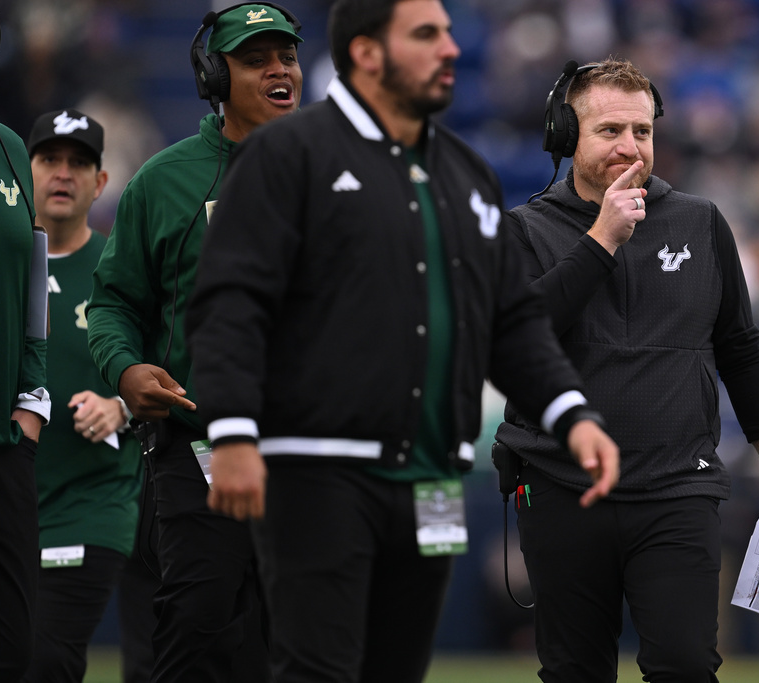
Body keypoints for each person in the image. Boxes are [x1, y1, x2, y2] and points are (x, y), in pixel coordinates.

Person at [185, 1, 621, 681]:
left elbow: (510, 320)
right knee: (318, 670)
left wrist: (572, 413)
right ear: (366, 52)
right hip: (316, 468)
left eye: (448, 32)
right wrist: (235, 430)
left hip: (433, 476)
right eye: (426, 34)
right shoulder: (286, 154)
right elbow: (230, 303)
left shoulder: (467, 174)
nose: (451, 48)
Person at [494, 58, 759, 683]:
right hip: (561, 485)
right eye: (610, 130)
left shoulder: (701, 221)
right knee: (574, 671)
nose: (630, 146)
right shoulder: (524, 230)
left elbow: (742, 354)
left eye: (642, 131)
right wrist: (602, 240)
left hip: (677, 488)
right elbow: (516, 338)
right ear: (568, 135)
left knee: (687, 666)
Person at [86, 4, 304, 681]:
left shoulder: (337, 175)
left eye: (287, 56)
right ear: (216, 74)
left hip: (309, 449)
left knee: (303, 641)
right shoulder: (165, 180)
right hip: (198, 443)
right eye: (255, 59)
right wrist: (124, 370)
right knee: (195, 628)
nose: (279, 71)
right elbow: (114, 301)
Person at [23, 108, 144, 683]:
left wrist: (120, 407)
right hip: (8, 502)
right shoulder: (0, 266)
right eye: (49, 160)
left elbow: (178, 366)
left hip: (90, 502)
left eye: (79, 163)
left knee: (47, 656)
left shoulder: (122, 268)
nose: (62, 174)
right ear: (25, 174)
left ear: (101, 181)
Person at [0, 5, 50, 681]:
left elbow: (36, 289)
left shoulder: (7, 145)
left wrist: (32, 399)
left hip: (4, 443)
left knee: (12, 647)